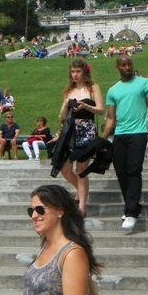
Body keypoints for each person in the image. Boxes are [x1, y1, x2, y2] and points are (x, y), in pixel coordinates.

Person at [101, 55, 148, 232]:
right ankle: (132, 204)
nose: (127, 67)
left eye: (129, 64)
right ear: (117, 67)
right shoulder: (113, 90)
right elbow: (111, 118)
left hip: (139, 133)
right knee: (121, 171)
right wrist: (102, 139)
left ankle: (131, 213)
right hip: (120, 134)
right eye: (123, 65)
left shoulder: (144, 84)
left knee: (134, 170)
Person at [56, 60, 104, 214]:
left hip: (86, 129)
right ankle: (80, 191)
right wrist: (65, 105)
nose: (74, 75)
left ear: (84, 72)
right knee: (64, 168)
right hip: (71, 131)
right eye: (72, 72)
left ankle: (82, 206)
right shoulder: (69, 91)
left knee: (81, 168)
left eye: (77, 71)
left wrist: (85, 106)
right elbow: (62, 118)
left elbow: (100, 110)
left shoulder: (93, 88)